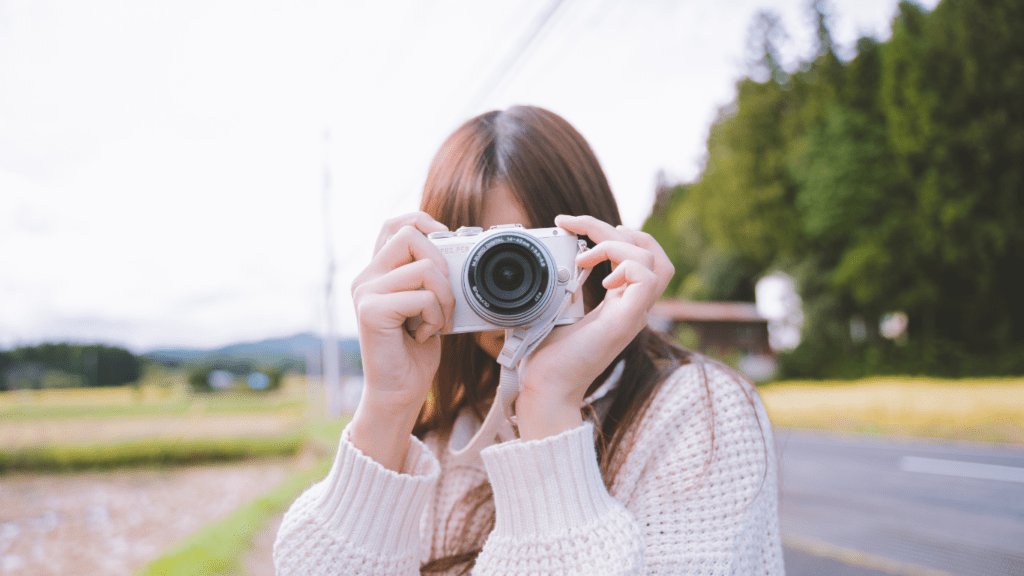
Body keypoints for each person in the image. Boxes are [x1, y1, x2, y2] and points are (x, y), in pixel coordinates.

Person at [274, 106, 784, 575]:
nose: (509, 293)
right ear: (435, 262)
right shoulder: (438, 435)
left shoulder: (702, 412)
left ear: (594, 248)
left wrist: (549, 403)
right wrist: (387, 405)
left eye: (529, 255)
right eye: (481, 259)